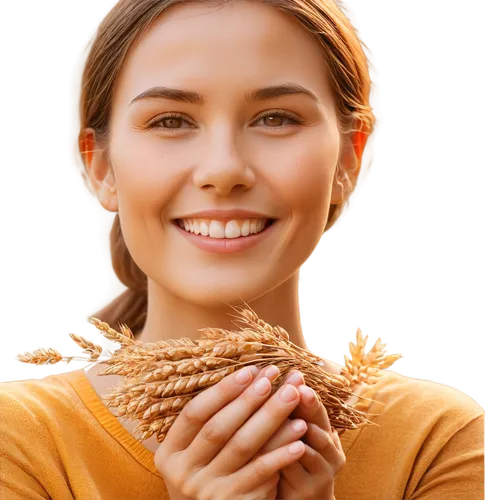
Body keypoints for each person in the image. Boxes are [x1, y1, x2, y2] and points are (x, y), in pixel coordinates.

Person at [0, 1, 486, 499]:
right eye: (170, 121)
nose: (224, 168)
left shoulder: (437, 441)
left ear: (350, 155)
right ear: (99, 167)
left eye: (275, 118)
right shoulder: (17, 442)